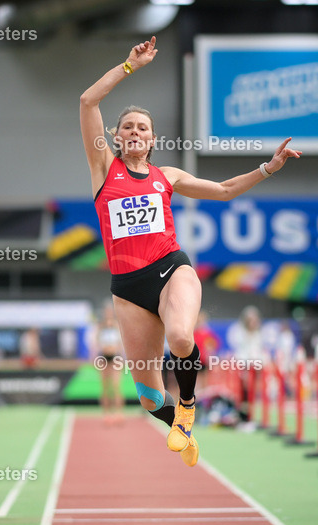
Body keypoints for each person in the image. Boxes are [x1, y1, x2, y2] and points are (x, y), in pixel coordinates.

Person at [80, 36, 300, 466]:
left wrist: (267, 168)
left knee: (181, 336)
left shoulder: (168, 176)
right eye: (128, 127)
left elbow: (222, 190)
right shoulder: (104, 168)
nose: (135, 133)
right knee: (146, 396)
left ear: (153, 138)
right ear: (116, 137)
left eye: (143, 128)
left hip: (169, 268)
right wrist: (129, 67)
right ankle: (177, 422)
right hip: (127, 288)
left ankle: (188, 407)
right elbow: (88, 101)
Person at [226, 305, 265, 427]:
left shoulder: (258, 335)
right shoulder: (242, 334)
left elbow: (258, 351)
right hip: (244, 366)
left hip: (254, 366)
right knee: (244, 392)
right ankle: (243, 417)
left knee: (253, 392)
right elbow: (242, 352)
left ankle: (250, 416)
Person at [95, 303, 125, 423]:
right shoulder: (100, 327)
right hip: (103, 357)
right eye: (106, 312)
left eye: (109, 312)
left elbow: (121, 343)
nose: (108, 314)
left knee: (116, 386)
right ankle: (106, 414)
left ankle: (118, 413)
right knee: (105, 387)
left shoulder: (117, 326)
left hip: (115, 357)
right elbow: (97, 342)